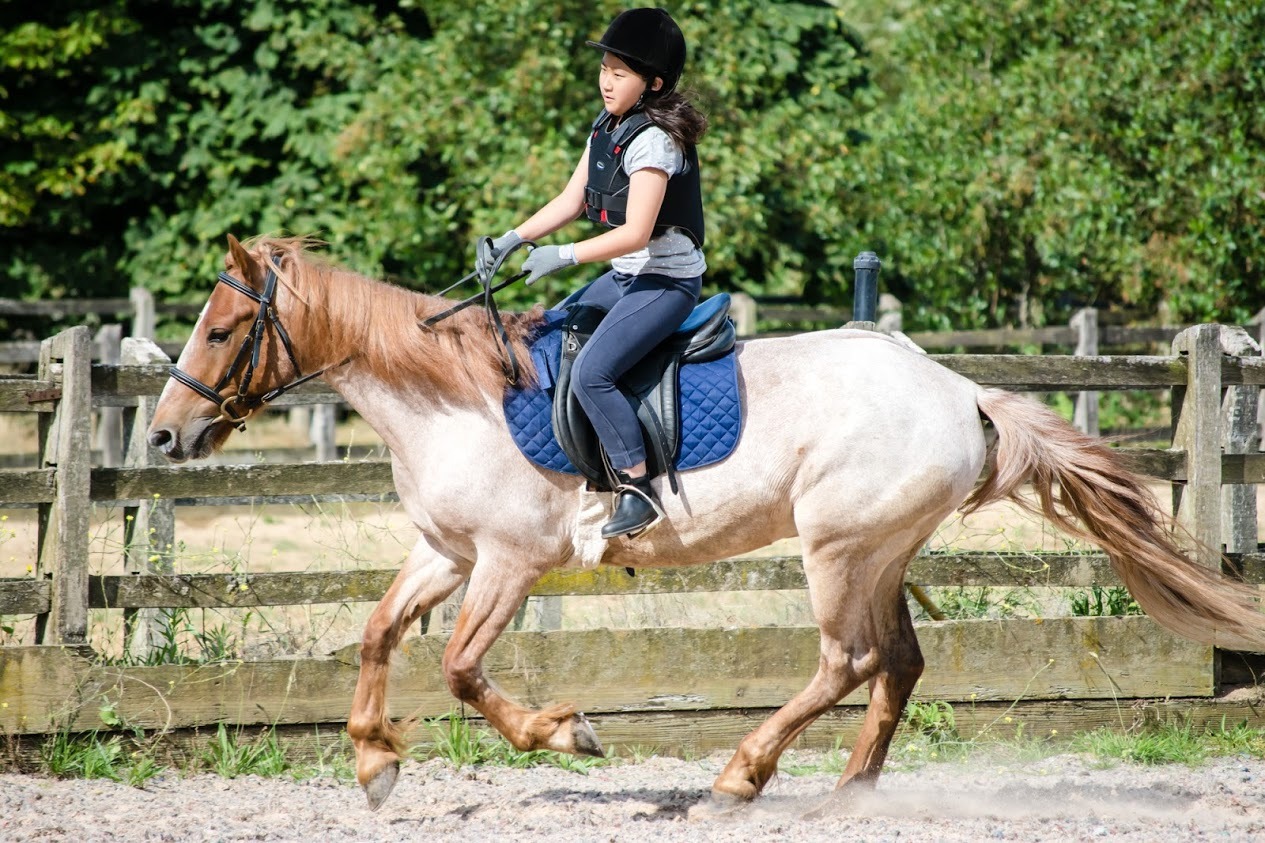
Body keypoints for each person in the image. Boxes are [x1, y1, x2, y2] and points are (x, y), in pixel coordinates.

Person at [480, 7, 708, 540]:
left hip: (664, 282)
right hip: (628, 277)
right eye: (604, 68)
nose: (606, 81)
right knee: (554, 334)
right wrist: (513, 238)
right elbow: (572, 197)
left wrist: (562, 256)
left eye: (619, 73)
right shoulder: (607, 127)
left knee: (592, 373)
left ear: (653, 83)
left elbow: (633, 234)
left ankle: (637, 488)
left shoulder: (655, 141)